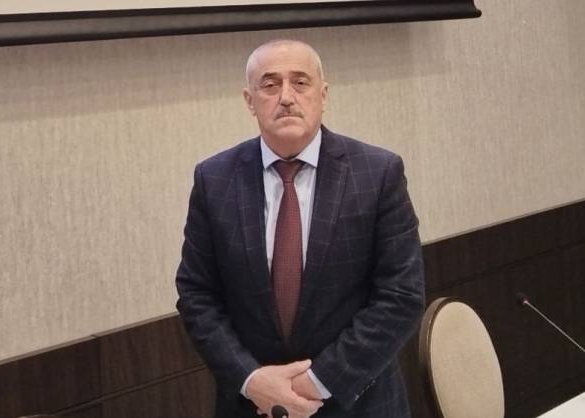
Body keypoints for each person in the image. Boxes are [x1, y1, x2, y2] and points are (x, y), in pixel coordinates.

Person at [175, 39, 425, 418]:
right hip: (252, 405)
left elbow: (401, 295)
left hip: (358, 404)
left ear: (323, 95)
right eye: (270, 84)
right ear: (249, 100)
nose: (286, 97)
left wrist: (314, 384)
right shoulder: (214, 179)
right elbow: (197, 294)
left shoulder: (378, 173)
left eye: (300, 82)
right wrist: (251, 379)